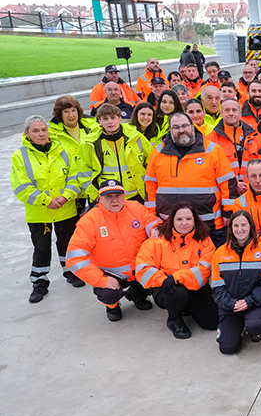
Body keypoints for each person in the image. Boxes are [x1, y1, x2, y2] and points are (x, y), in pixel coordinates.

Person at [12, 116, 86, 302]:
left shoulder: (64, 151)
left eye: (43, 130)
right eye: (35, 131)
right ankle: (39, 281)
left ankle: (71, 272)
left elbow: (75, 178)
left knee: (67, 243)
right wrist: (46, 201)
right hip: (39, 213)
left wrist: (66, 196)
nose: (41, 134)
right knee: (42, 247)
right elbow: (21, 187)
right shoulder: (20, 156)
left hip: (65, 208)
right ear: (27, 134)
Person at [67, 180, 158, 320]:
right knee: (109, 293)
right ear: (99, 198)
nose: (114, 200)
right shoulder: (89, 221)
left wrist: (156, 229)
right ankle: (112, 305)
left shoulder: (136, 208)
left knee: (159, 281)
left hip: (139, 268)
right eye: (108, 196)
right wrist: (101, 280)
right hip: (111, 274)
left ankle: (137, 294)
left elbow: (152, 222)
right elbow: (74, 259)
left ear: (124, 195)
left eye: (118, 195)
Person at [145, 113, 235, 246]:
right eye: (176, 127)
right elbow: (150, 186)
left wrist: (228, 211)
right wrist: (152, 218)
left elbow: (227, 182)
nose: (181, 130)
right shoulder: (158, 152)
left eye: (185, 126)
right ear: (170, 130)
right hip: (170, 225)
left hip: (209, 223)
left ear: (192, 126)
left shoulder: (212, 150)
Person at [136, 202, 219, 339]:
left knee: (212, 322)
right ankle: (174, 319)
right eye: (179, 219)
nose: (184, 223)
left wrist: (176, 278)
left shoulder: (204, 240)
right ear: (171, 221)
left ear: (195, 220)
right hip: (168, 287)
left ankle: (186, 306)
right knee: (178, 294)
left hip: (194, 286)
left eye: (188, 219)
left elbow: (204, 270)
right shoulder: (157, 240)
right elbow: (142, 268)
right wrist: (164, 280)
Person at [211, 210, 261, 354]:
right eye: (236, 226)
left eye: (243, 225)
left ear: (251, 227)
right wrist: (231, 303)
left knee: (255, 325)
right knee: (227, 348)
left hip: (255, 304)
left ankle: (253, 330)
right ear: (231, 228)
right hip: (230, 306)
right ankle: (236, 327)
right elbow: (217, 287)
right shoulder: (220, 253)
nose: (240, 229)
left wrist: (249, 301)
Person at [77, 104, 152, 202]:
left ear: (120, 119)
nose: (110, 121)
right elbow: (83, 173)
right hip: (107, 196)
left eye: (113, 118)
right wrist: (94, 195)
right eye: (105, 118)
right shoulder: (90, 144)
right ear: (99, 121)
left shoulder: (136, 137)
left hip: (137, 194)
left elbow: (152, 162)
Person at [227, 159, 261, 234]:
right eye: (253, 176)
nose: (258, 180)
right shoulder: (240, 202)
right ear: (248, 178)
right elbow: (239, 232)